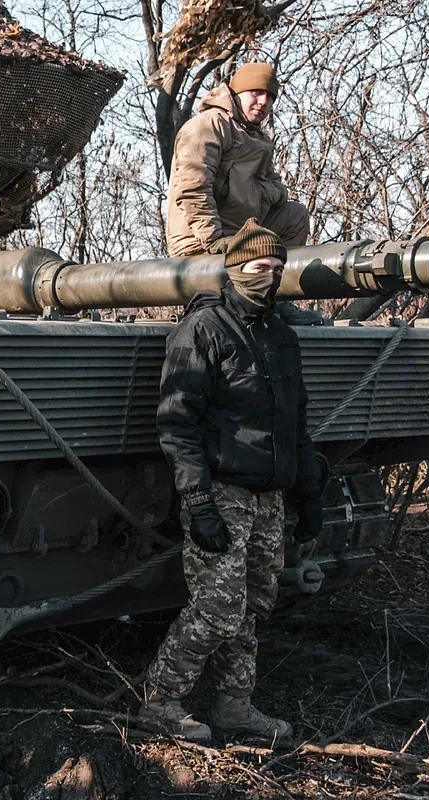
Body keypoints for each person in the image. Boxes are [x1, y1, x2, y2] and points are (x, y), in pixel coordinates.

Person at [136, 218, 323, 743]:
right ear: (236, 270)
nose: (268, 276)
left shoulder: (282, 336)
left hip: (270, 496)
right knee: (218, 610)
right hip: (223, 489)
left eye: (276, 268)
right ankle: (161, 702)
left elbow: (296, 423)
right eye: (259, 268)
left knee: (254, 608)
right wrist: (198, 501)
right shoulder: (204, 330)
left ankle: (234, 707)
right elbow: (177, 423)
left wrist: (309, 494)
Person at [165, 62, 310, 258]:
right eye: (256, 92)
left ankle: (279, 281)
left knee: (295, 216)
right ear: (238, 92)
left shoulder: (258, 138)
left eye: (270, 96)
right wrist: (213, 238)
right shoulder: (209, 125)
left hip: (240, 233)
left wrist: (264, 193)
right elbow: (193, 188)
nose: (263, 101)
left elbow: (273, 184)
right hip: (200, 241)